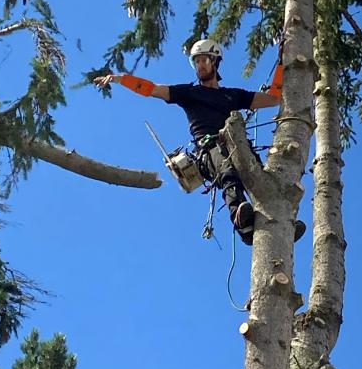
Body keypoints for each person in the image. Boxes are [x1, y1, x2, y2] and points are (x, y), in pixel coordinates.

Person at [94, 39, 304, 245]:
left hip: (240, 146)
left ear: (215, 62)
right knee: (228, 172)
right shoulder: (189, 93)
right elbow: (152, 89)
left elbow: (274, 98)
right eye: (196, 61)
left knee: (261, 178)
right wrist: (120, 79)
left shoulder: (233, 95)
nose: (199, 65)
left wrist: (281, 63)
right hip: (210, 149)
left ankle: (283, 222)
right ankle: (242, 222)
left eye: (204, 60)